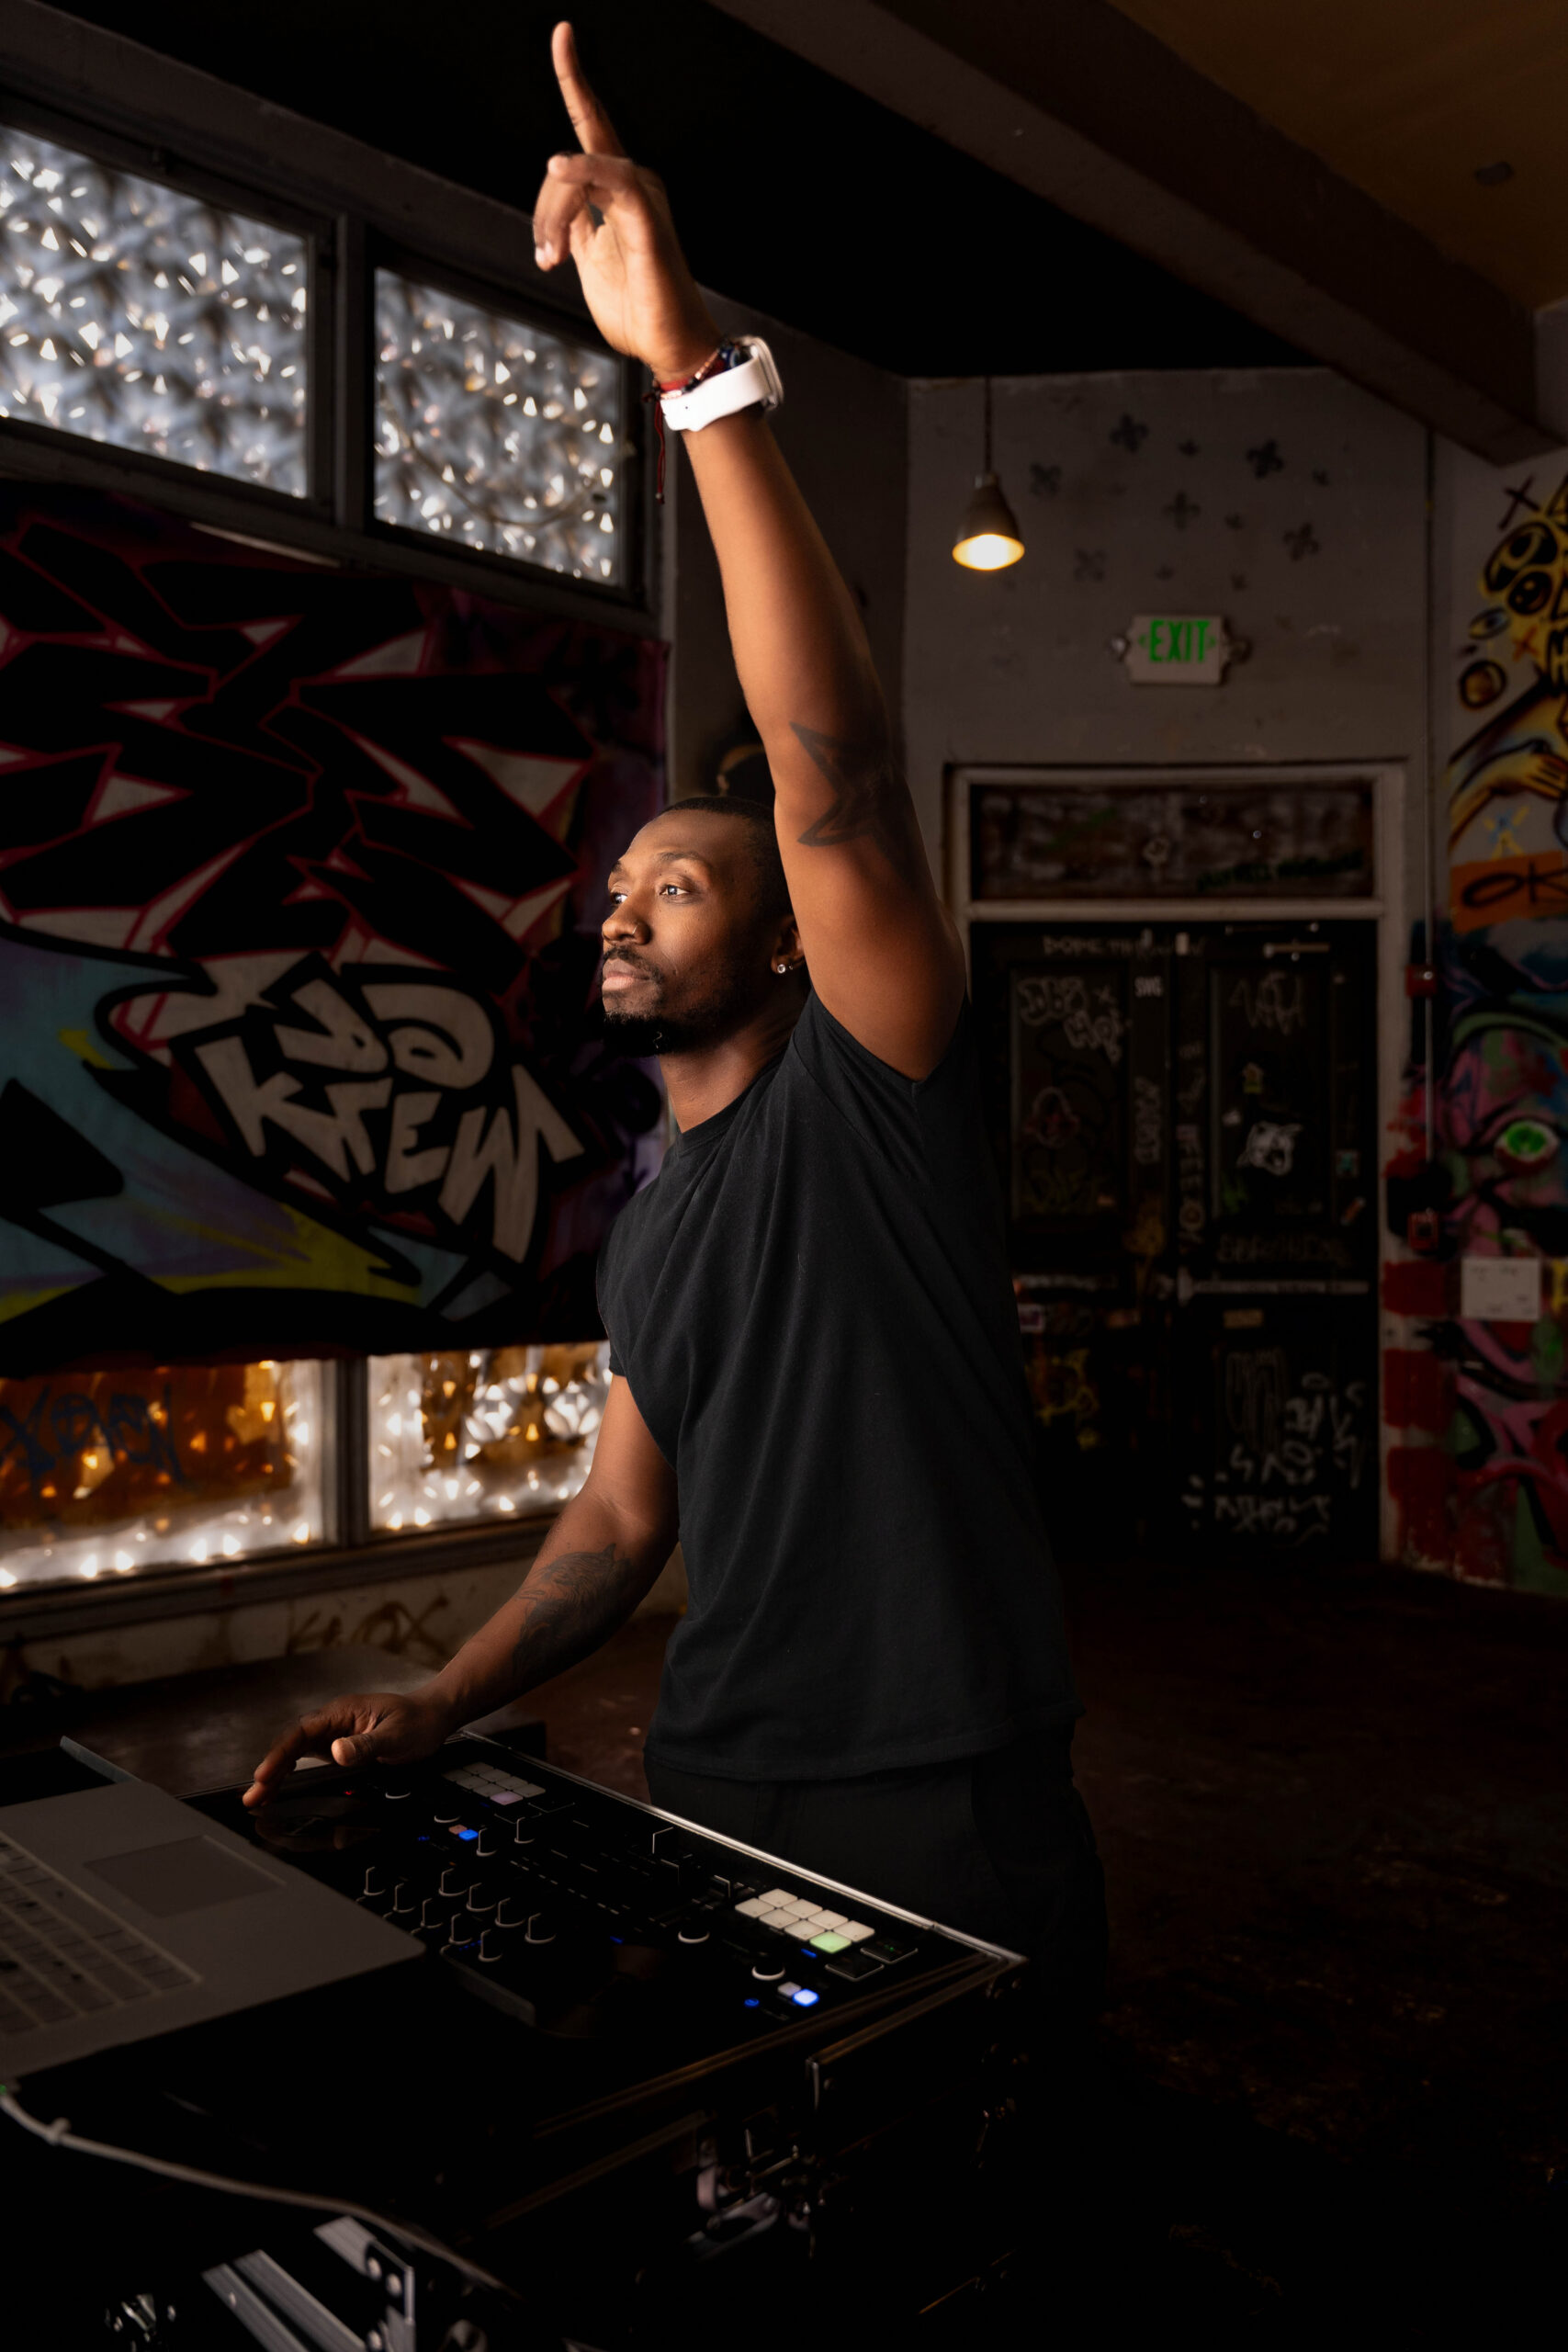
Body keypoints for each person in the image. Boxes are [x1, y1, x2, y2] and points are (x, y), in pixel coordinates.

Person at [244, 21, 1104, 2011]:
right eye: (622, 883)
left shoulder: (873, 1102)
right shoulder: (652, 1223)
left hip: (939, 1792)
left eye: (683, 881)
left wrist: (687, 370)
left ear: (790, 939)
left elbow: (833, 779)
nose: (624, 906)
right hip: (714, 1780)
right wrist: (439, 1696)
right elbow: (626, 1518)